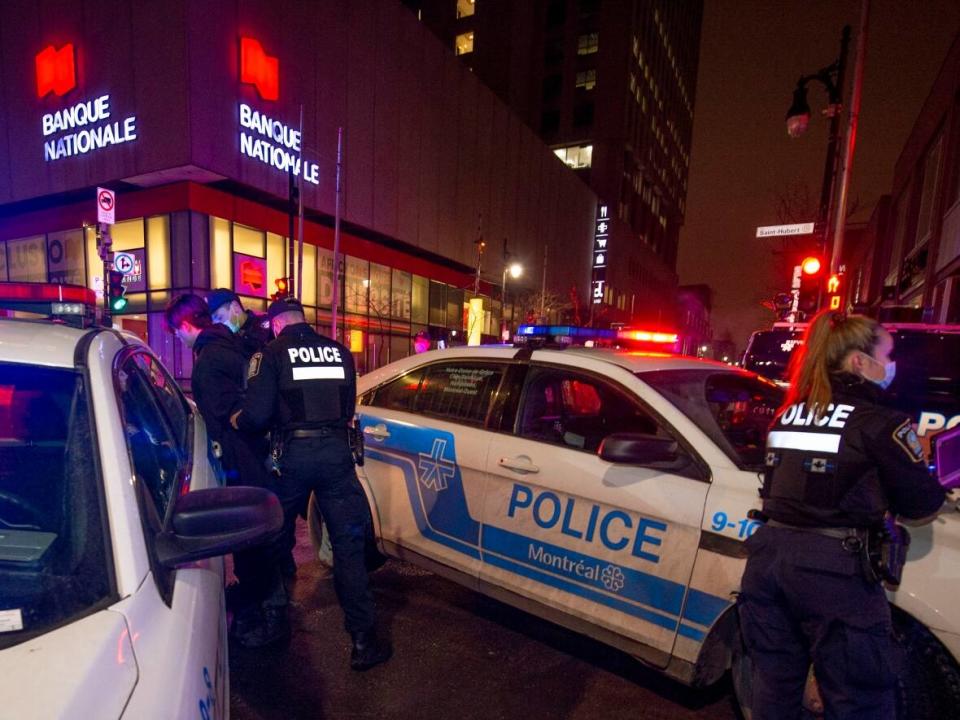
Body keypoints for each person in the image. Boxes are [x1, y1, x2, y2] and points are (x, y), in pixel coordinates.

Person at [738, 309, 946, 719]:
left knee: (775, 688)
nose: (890, 367)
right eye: (885, 357)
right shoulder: (881, 423)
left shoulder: (788, 413)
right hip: (833, 575)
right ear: (858, 361)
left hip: (768, 563)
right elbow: (922, 505)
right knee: (860, 698)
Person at [230, 297, 391, 671]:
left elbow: (256, 415)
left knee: (274, 539)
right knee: (349, 547)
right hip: (337, 455)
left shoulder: (269, 354)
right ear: (304, 319)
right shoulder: (339, 352)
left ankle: (274, 622)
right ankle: (364, 641)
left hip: (292, 458)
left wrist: (237, 421)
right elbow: (347, 406)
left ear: (275, 324)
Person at [165, 293, 288, 648]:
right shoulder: (233, 346)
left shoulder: (209, 360)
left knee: (251, 540)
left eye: (177, 333)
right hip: (256, 456)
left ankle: (272, 617)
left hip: (241, 461)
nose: (179, 340)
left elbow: (226, 418)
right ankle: (262, 603)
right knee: (258, 538)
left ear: (186, 326)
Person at [206, 287, 299, 579]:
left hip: (273, 425)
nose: (221, 323)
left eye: (222, 316)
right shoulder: (236, 338)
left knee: (280, 503)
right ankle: (281, 565)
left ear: (235, 307)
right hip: (261, 425)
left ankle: (282, 565)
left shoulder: (261, 332)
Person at [206, 288, 271, 359]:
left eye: (220, 318)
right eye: (214, 324)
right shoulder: (223, 342)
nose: (218, 326)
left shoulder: (268, 326)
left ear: (235, 307)